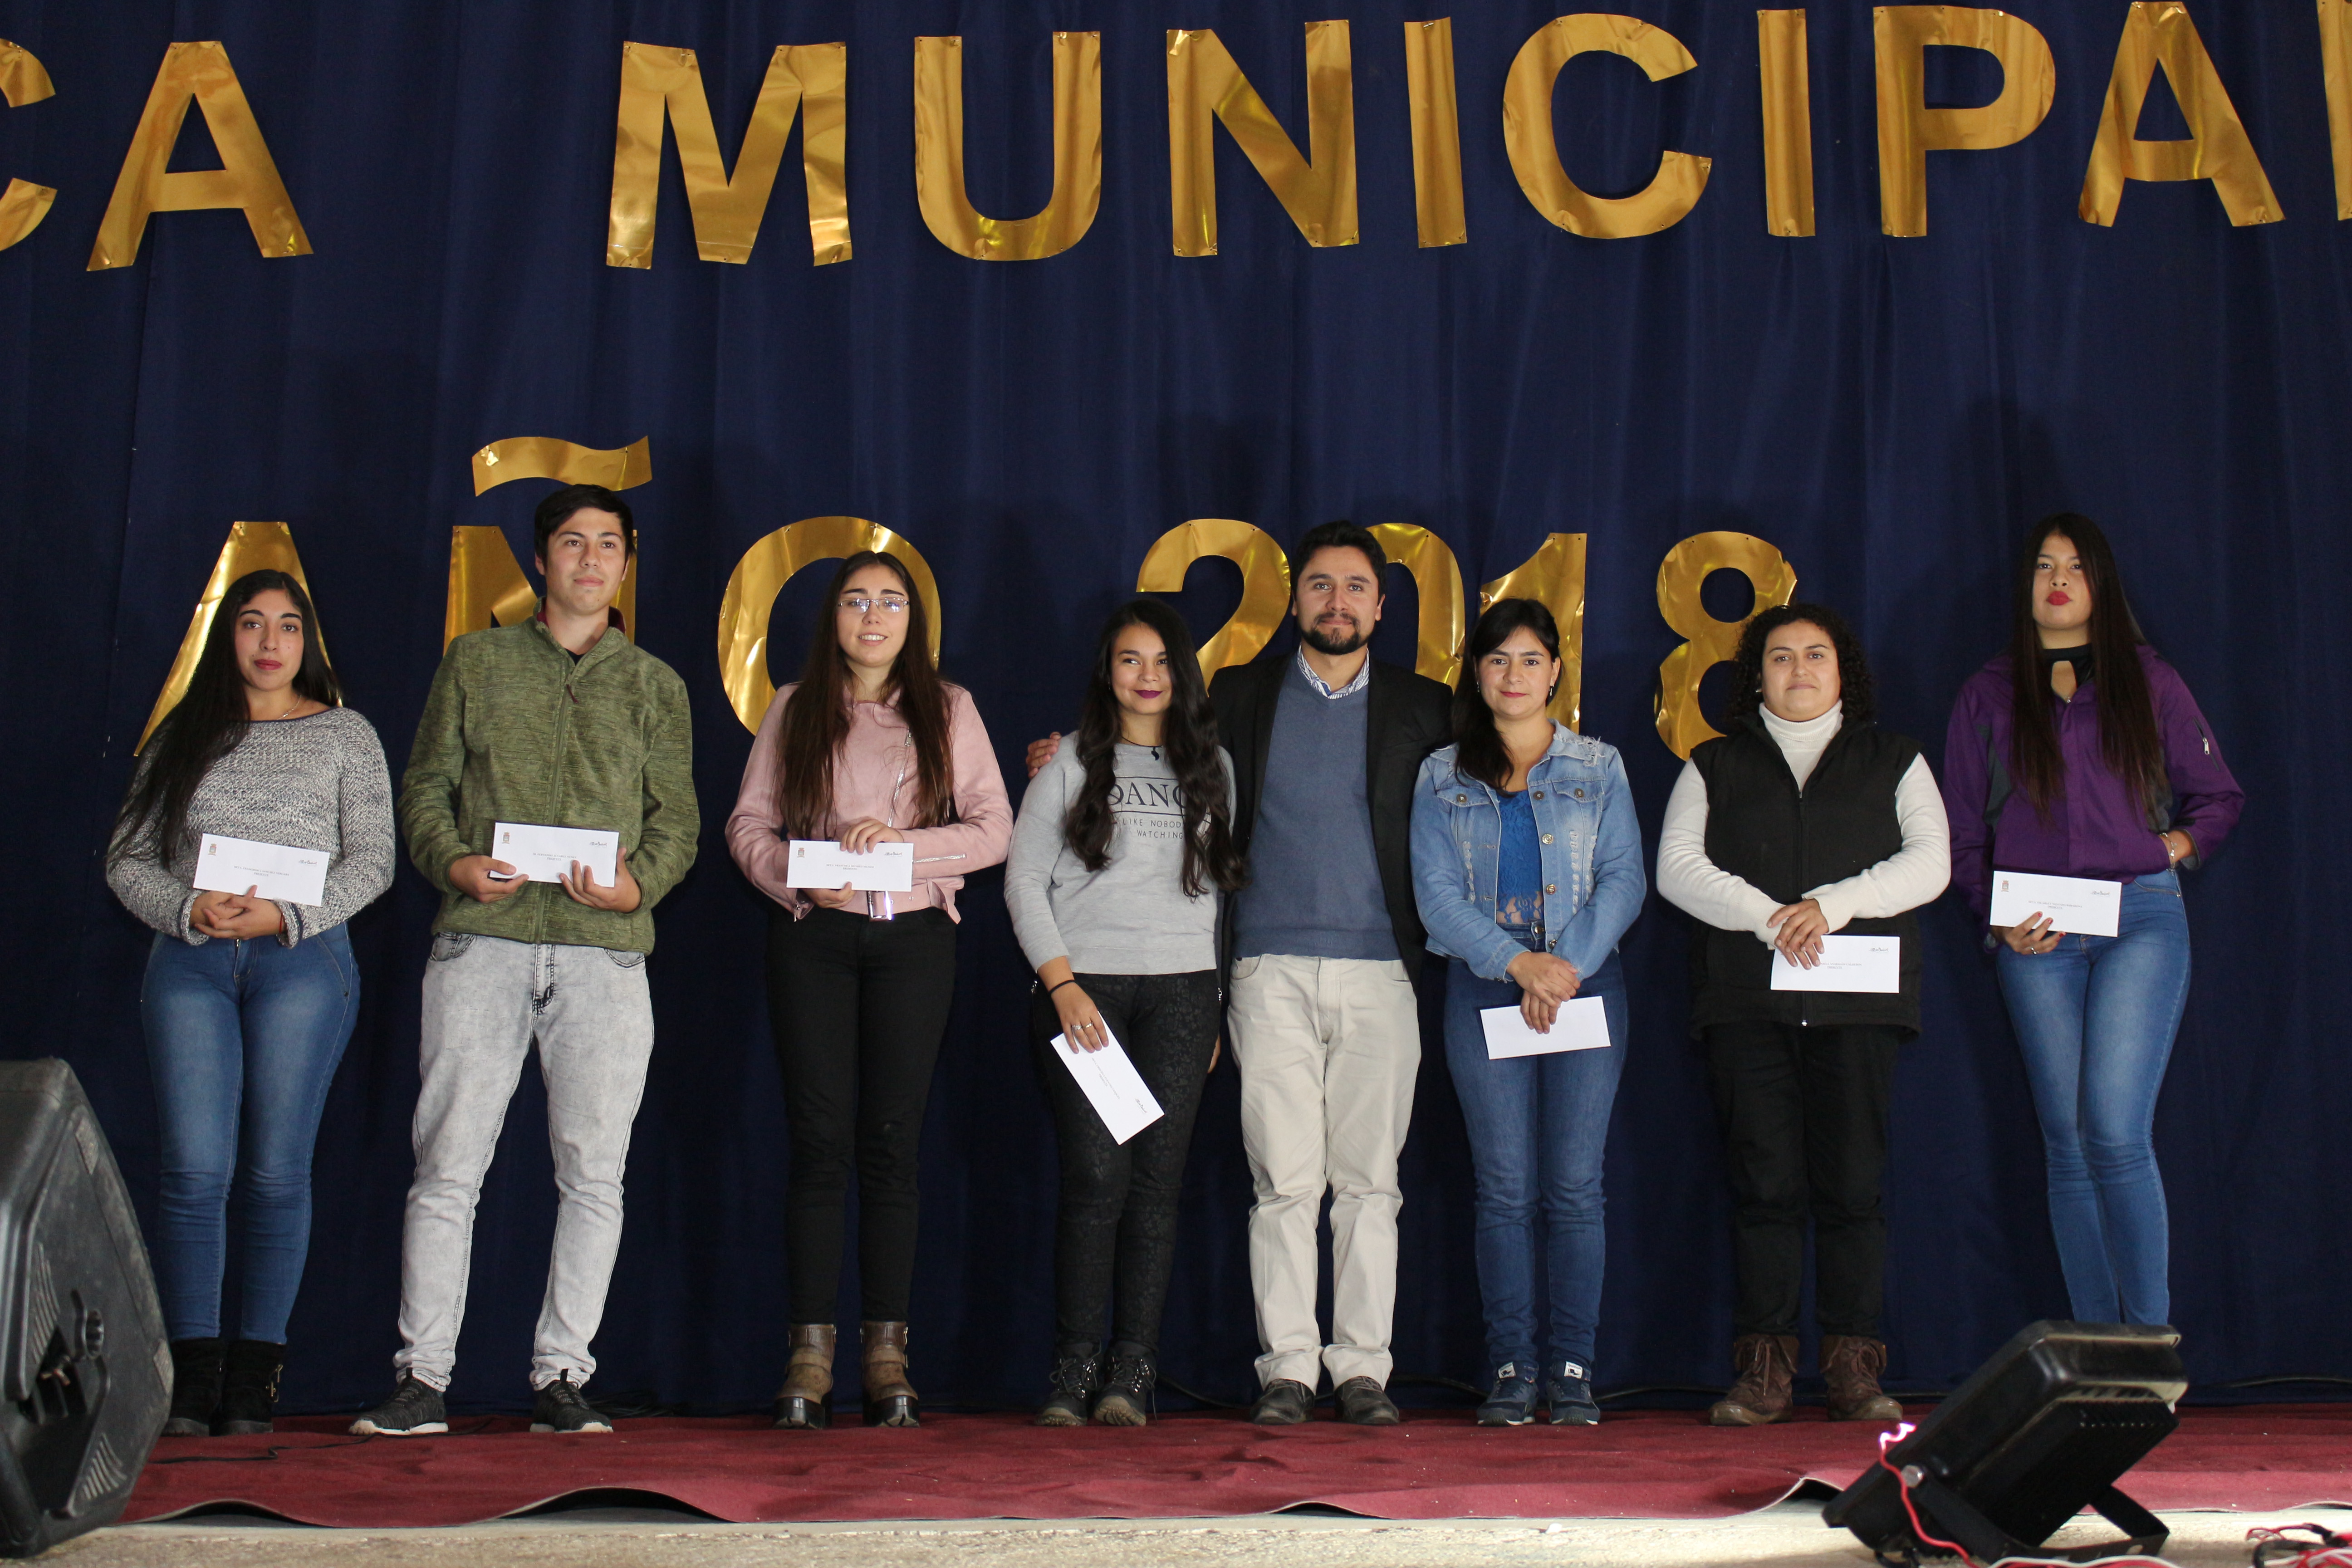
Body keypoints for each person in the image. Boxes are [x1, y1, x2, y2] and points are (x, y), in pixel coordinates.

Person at [1028, 521, 1449, 1425]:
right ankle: (1288, 1371)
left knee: (1370, 1185)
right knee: (1283, 1183)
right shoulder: (1239, 696)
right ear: (1296, 599)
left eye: (1356, 588)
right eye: (1321, 585)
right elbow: (1155, 755)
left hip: (1383, 972)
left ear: (1382, 605)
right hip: (1265, 970)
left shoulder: (1427, 708)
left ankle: (1364, 1370)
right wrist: (1060, 759)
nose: (1338, 603)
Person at [352, 483, 698, 1436]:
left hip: (605, 958)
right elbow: (425, 787)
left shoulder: (656, 686)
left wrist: (639, 886)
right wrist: (454, 862)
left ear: (627, 564)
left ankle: (563, 1375)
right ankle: (422, 1378)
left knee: (594, 1176)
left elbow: (678, 822)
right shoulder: (477, 661)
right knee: (447, 1166)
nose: (591, 560)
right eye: (573, 543)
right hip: (483, 941)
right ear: (542, 560)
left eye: (609, 545)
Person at [728, 551, 1012, 1430]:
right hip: (814, 942)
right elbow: (748, 825)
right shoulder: (793, 705)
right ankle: (809, 1356)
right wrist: (798, 874)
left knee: (892, 1145)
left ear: (912, 621)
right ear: (835, 618)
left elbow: (994, 829)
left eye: (891, 601)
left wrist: (900, 846)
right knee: (819, 1144)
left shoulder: (949, 707)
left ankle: (888, 1355)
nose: (874, 616)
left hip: (913, 941)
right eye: (856, 600)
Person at [107, 570, 394, 1437]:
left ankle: (255, 1377)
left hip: (300, 963)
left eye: (289, 626)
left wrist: (288, 916)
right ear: (226, 637)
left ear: (309, 642)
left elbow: (373, 861)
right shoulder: (184, 735)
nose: (271, 643)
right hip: (192, 962)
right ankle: (193, 1374)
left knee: (275, 1170)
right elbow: (127, 858)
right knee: (195, 1172)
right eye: (252, 624)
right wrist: (187, 908)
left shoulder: (345, 734)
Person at [1942, 514, 2240, 1328]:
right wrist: (1995, 917)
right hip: (2033, 933)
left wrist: (2169, 846)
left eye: (2075, 566)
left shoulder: (2150, 680)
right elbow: (1961, 834)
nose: (2058, 580)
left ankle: (2149, 1347)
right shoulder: (1988, 691)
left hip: (2140, 918)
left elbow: (2219, 796)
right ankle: (2098, 1349)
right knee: (2067, 1144)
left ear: (2101, 583)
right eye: (2044, 566)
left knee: (2113, 1130)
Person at [1657, 602, 1949, 1426]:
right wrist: (1771, 917)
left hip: (1859, 1006)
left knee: (1854, 1187)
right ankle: (1764, 1369)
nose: (1799, 670)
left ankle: (1855, 1366)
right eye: (1780, 657)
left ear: (1842, 672)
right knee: (1765, 1187)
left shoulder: (1896, 760)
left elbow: (1931, 862)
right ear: (1757, 677)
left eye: (1816, 655)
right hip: (1747, 1006)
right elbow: (1677, 868)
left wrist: (1831, 905)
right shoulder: (1712, 763)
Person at [1005, 600, 1245, 1427]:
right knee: (1097, 1179)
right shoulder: (1069, 762)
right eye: (1130, 660)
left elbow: (1219, 898)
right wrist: (1062, 986)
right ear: (1107, 672)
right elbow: (1023, 880)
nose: (1147, 677)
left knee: (1155, 1186)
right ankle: (1074, 1366)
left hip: (1182, 993)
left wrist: (1215, 1007)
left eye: (1163, 661)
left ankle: (1133, 1369)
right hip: (1088, 994)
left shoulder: (1214, 766)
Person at [1409, 598, 1644, 1427]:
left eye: (1531, 659)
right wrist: (1519, 965)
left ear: (1556, 672)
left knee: (1576, 1189)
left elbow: (1624, 880)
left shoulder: (1599, 766)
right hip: (1485, 987)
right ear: (1476, 673)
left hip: (1585, 987)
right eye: (1498, 659)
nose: (1514, 675)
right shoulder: (1441, 775)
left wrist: (1561, 968)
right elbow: (1436, 897)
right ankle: (1512, 1369)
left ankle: (1574, 1371)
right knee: (1505, 1190)